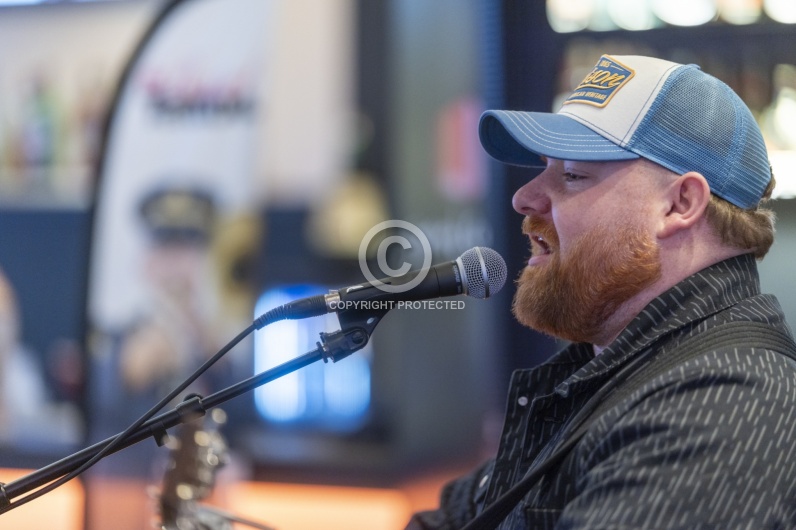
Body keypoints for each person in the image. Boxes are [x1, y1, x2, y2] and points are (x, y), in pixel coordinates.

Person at [407, 54, 796, 528]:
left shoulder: (724, 401)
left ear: (680, 203)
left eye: (572, 174)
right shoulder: (607, 372)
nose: (523, 197)